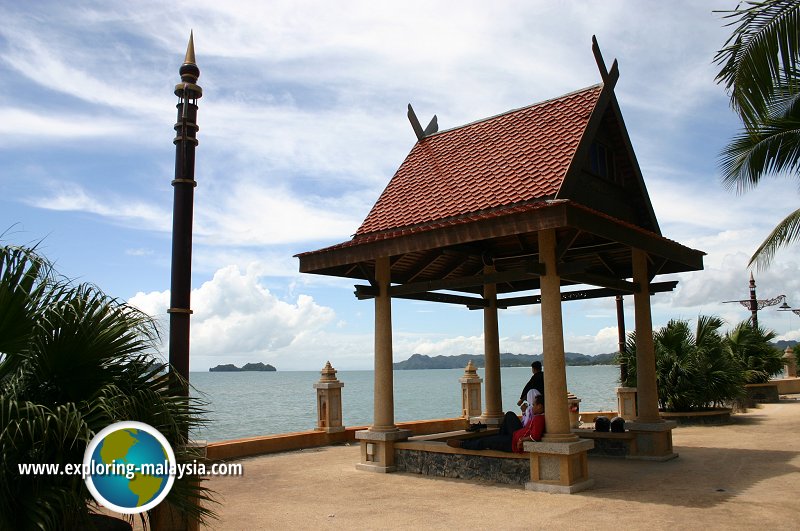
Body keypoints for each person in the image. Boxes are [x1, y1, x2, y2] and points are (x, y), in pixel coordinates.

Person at [447, 395, 545, 453]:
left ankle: (463, 444)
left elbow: (535, 437)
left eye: (534, 405)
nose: (532, 408)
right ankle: (499, 438)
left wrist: (522, 439)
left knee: (486, 441)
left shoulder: (539, 419)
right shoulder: (538, 417)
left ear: (540, 407)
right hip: (515, 435)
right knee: (509, 415)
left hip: (513, 443)